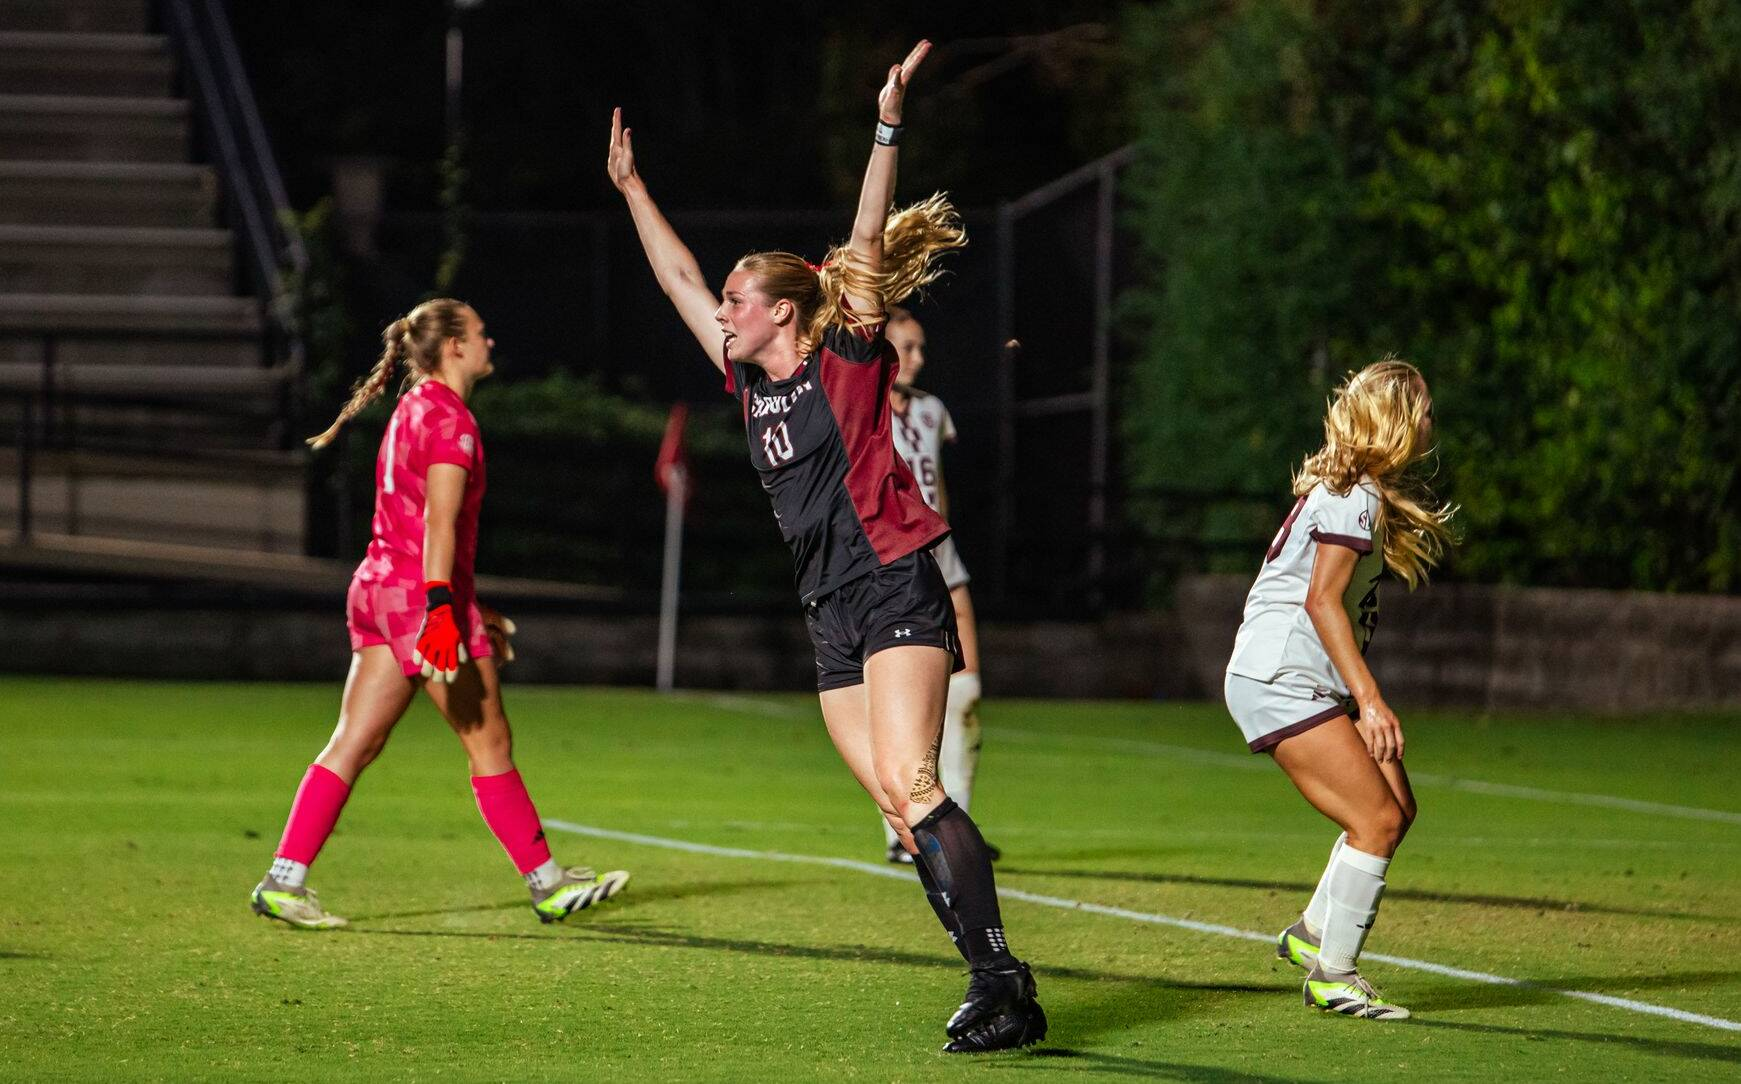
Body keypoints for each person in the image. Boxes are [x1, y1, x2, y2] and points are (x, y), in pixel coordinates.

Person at [606, 41, 1044, 1054]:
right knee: (896, 807)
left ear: (782, 313)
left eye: (737, 301)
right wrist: (632, 190)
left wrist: (886, 125)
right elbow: (676, 278)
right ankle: (1001, 982)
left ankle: (998, 981)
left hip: (892, 582)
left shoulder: (844, 359)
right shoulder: (747, 379)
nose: (722, 311)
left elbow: (864, 240)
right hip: (828, 609)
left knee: (917, 783)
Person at [249, 299, 630, 929]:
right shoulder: (452, 419)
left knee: (354, 741)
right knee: (490, 740)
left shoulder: (412, 406)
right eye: (479, 332)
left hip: (376, 589)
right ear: (453, 345)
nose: (488, 341)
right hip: (417, 598)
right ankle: (548, 885)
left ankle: (283, 880)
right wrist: (442, 608)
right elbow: (438, 521)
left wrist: (464, 602)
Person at [1223, 358, 1454, 1020]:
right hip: (1281, 676)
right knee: (1375, 821)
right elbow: (1322, 601)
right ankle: (1334, 975)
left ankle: (1311, 934)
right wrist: (1370, 701)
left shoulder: (1357, 488)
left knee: (1396, 810)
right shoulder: (1354, 495)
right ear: (1397, 419)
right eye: (1425, 409)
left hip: (1302, 677)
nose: (1431, 421)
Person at [879, 307, 993, 866]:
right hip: (891, 562)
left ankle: (959, 827)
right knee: (905, 705)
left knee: (965, 697)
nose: (919, 358)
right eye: (908, 347)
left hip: (941, 557)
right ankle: (905, 833)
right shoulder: (861, 406)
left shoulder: (931, 409)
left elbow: (937, 482)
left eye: (921, 346)